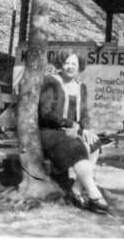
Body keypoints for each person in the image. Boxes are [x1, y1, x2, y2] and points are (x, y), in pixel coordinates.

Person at [39, 49, 109, 214]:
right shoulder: (51, 82)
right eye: (67, 63)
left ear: (79, 67)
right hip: (50, 131)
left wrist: (86, 130)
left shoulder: (81, 87)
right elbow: (45, 113)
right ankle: (94, 194)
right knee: (76, 148)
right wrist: (70, 124)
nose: (70, 67)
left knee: (94, 144)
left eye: (74, 64)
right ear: (60, 65)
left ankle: (76, 189)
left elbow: (84, 114)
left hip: (72, 131)